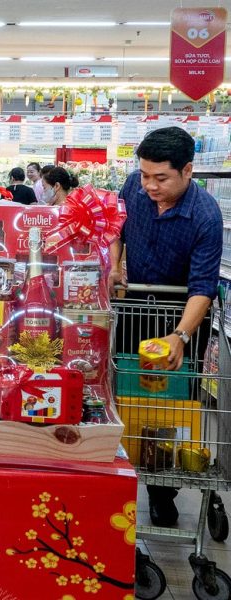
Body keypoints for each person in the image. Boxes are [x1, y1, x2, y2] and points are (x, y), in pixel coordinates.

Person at [112, 126, 222, 528]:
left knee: (166, 405)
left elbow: (203, 287)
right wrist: (115, 265)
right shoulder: (133, 186)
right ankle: (120, 476)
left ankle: (161, 489)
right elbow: (115, 229)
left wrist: (180, 336)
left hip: (181, 317)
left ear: (188, 170)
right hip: (134, 308)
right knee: (126, 394)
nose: (149, 185)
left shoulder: (206, 215)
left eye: (161, 177)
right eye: (145, 175)